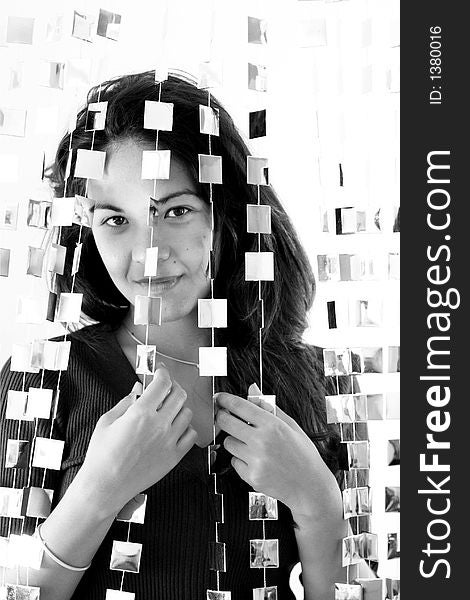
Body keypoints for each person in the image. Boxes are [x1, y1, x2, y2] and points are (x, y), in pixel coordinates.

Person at [0, 71, 349, 600]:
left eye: (176, 211)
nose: (149, 252)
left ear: (226, 214)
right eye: (115, 219)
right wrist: (100, 491)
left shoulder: (319, 382)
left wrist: (320, 507)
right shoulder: (41, 378)